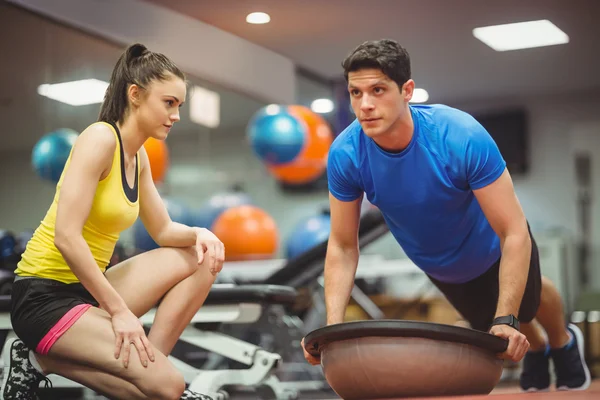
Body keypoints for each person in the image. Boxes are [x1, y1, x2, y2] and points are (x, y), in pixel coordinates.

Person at [301, 39, 591, 393]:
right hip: (441, 266)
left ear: (407, 90)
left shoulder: (459, 135)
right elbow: (344, 247)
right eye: (355, 93)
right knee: (494, 323)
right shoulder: (346, 154)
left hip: (496, 249)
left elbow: (513, 230)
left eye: (378, 90)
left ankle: (561, 342)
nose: (365, 105)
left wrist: (508, 317)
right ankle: (539, 348)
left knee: (523, 307)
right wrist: (333, 330)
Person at [2, 43, 225, 400]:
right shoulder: (99, 138)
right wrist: (119, 312)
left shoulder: (139, 159)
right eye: (169, 103)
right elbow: (66, 237)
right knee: (169, 387)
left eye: (179, 105)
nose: (177, 115)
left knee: (203, 255)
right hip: (43, 298)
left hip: (87, 291)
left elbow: (164, 231)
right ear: (135, 95)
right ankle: (38, 359)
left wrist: (202, 233)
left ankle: (151, 368)